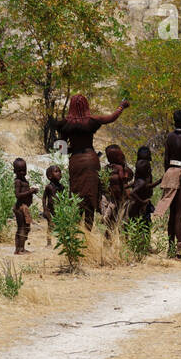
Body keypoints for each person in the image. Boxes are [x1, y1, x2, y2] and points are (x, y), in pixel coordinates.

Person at [50, 94, 128, 232]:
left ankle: (76, 233)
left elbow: (61, 149)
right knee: (91, 197)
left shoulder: (65, 124)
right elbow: (111, 117)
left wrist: (73, 147)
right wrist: (121, 106)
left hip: (76, 162)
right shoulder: (91, 120)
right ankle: (88, 233)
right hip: (91, 160)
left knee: (76, 196)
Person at [152, 109, 181, 259]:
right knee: (180, 215)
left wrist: (167, 176)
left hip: (169, 173)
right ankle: (180, 252)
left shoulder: (170, 137)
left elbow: (166, 160)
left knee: (172, 214)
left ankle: (170, 250)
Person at [102, 144, 133, 234]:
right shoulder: (112, 168)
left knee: (117, 221)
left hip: (120, 199)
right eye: (120, 155)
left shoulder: (121, 168)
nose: (123, 156)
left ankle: (115, 241)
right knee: (111, 220)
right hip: (112, 199)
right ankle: (110, 241)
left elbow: (126, 178)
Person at [127, 146, 155, 226]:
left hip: (140, 203)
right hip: (140, 203)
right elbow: (133, 192)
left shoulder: (139, 177)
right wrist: (142, 201)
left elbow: (147, 186)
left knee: (138, 223)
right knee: (143, 223)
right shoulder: (142, 180)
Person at [12, 158, 35, 254]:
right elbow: (17, 195)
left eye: (24, 170)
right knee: (22, 228)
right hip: (20, 207)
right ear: (14, 171)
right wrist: (30, 192)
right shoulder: (18, 181)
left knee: (26, 228)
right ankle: (19, 249)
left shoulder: (24, 180)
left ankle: (21, 248)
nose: (22, 172)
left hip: (25, 207)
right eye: (19, 170)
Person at [42, 164, 63, 246]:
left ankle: (61, 242)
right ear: (50, 176)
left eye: (60, 171)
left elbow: (63, 198)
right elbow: (44, 198)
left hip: (60, 210)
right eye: (56, 171)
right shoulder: (49, 187)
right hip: (50, 210)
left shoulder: (61, 187)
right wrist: (44, 209)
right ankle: (49, 242)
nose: (59, 173)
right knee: (50, 225)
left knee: (61, 225)